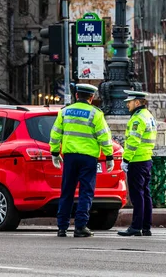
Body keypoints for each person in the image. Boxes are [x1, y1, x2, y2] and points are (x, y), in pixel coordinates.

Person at [49, 83, 114, 238]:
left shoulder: (64, 112)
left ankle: (62, 227)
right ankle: (80, 226)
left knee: (67, 191)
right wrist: (109, 156)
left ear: (77, 95)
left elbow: (55, 134)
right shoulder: (95, 114)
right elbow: (104, 136)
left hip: (70, 157)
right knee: (85, 192)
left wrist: (54, 152)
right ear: (91, 98)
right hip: (88, 158)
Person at [118, 90, 157, 237]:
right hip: (146, 159)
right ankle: (146, 226)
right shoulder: (148, 116)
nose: (127, 104)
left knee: (137, 195)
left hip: (136, 160)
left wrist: (126, 159)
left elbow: (133, 142)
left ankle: (136, 226)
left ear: (137, 102)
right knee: (146, 194)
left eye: (130, 101)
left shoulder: (137, 119)